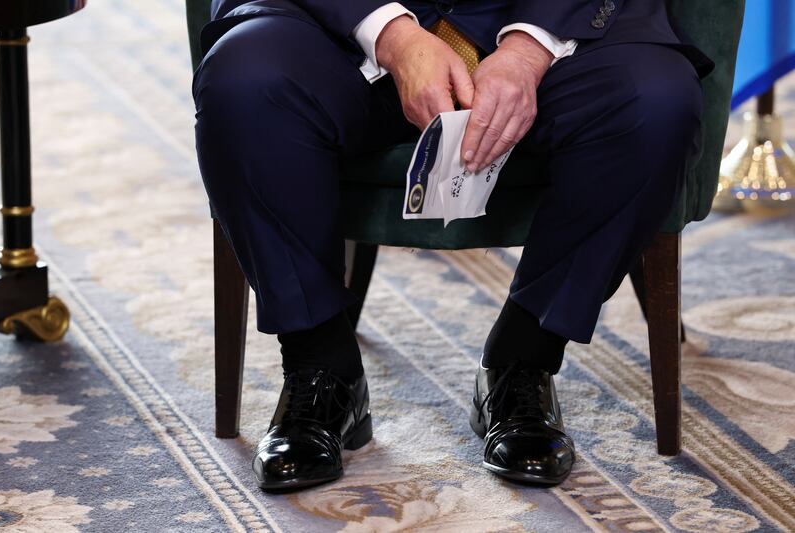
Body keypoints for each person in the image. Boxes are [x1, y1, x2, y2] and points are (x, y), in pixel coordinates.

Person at [192, 0, 713, 491]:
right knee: (244, 83)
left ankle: (522, 359)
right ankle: (322, 366)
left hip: (556, 32)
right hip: (337, 29)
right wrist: (392, 34)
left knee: (655, 101)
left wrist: (529, 48)